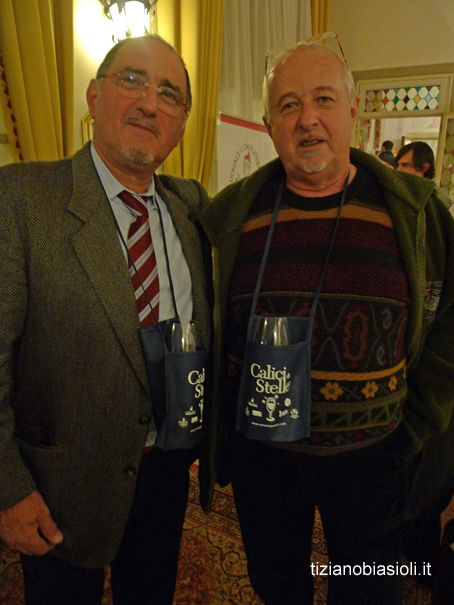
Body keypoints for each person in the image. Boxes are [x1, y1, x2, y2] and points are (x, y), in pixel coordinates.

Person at [199, 40, 454, 605]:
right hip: (264, 461)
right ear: (269, 123)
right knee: (277, 586)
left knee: (368, 590)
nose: (307, 118)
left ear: (353, 109)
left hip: (376, 460)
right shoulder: (229, 216)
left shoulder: (416, 212)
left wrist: (417, 422)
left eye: (323, 99)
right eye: (289, 105)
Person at [0, 34, 211, 605]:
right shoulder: (21, 199)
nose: (149, 103)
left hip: (166, 472)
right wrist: (8, 489)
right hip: (61, 484)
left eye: (169, 93)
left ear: (182, 124)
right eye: (133, 80)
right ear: (94, 97)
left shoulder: (191, 207)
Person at [396, 140, 454, 210]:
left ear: (424, 167)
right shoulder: (405, 191)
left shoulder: (438, 200)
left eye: (405, 165)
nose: (398, 169)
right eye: (398, 165)